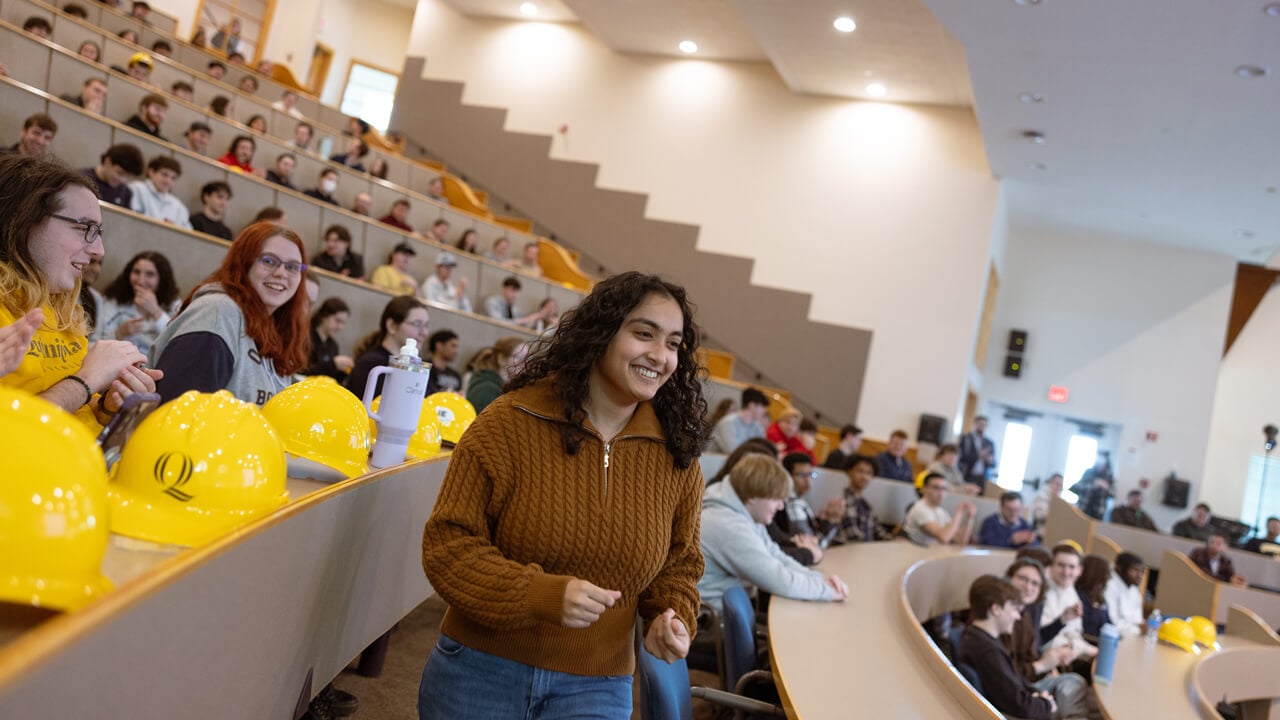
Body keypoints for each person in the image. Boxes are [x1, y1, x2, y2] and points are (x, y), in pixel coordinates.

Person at [417, 272, 711, 718]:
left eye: (673, 343)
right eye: (644, 334)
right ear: (601, 334)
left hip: (598, 684)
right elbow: (448, 546)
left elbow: (680, 564)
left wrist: (670, 615)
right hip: (480, 671)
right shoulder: (509, 421)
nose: (660, 355)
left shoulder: (678, 457)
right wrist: (539, 594)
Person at [0, 155, 160, 428]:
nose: (99, 250)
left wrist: (108, 406)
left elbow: (78, 412)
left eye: (98, 231)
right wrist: (85, 381)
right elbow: (13, 430)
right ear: (26, 220)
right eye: (84, 228)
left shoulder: (63, 309)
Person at [151, 223, 310, 406]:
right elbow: (179, 412)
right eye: (269, 261)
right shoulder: (216, 313)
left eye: (292, 267)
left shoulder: (275, 327)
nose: (281, 273)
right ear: (244, 262)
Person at [699, 453, 847, 613]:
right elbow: (779, 579)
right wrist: (828, 591)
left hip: (733, 610)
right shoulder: (728, 524)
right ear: (753, 496)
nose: (781, 507)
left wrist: (819, 580)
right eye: (777, 499)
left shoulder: (746, 513)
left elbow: (776, 556)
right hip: (712, 623)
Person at [957, 575, 1093, 720]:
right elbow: (1017, 704)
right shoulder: (988, 651)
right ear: (996, 609)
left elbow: (1012, 684)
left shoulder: (979, 638)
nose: (1017, 617)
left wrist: (1036, 695)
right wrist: (1045, 704)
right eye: (1014, 609)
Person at [93, 251, 181, 358]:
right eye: (136, 272)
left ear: (162, 279)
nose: (140, 281)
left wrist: (156, 311)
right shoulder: (114, 300)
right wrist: (119, 333)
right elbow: (95, 344)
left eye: (150, 274)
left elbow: (177, 342)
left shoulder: (173, 305)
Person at [1004, 558, 1077, 683]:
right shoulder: (1003, 618)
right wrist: (1043, 665)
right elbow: (1008, 673)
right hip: (1022, 682)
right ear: (1008, 579)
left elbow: (1037, 641)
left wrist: (1051, 659)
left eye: (1035, 584)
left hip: (1032, 674)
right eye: (1022, 579)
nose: (1028, 587)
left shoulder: (1029, 610)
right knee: (1074, 683)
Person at [344, 296, 428, 400]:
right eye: (417, 324)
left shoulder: (414, 366)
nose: (424, 332)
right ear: (392, 325)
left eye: (426, 325)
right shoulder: (372, 364)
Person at [769, 452, 842, 566]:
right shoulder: (793, 504)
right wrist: (831, 521)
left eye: (811, 474)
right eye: (802, 475)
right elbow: (814, 547)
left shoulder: (799, 500)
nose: (808, 480)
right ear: (787, 476)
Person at [1040, 544, 1097, 662]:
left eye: (1071, 567)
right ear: (1051, 566)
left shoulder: (1071, 590)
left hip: (1070, 652)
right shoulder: (1040, 591)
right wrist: (1081, 648)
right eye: (1061, 565)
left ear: (1079, 570)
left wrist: (1082, 648)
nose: (1066, 572)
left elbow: (1074, 632)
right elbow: (1042, 638)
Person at [905, 473, 976, 547]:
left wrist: (970, 518)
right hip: (917, 554)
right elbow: (944, 537)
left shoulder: (941, 511)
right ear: (924, 489)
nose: (941, 493)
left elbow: (960, 542)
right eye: (936, 488)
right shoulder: (920, 509)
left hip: (934, 555)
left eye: (944, 489)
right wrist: (959, 512)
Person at [837, 455, 893, 542]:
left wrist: (894, 542)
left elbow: (878, 531)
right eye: (860, 471)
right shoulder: (845, 501)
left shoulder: (865, 504)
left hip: (864, 551)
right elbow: (854, 537)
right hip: (849, 552)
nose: (864, 477)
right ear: (849, 472)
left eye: (869, 473)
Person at [463, 337, 526, 413]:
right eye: (518, 356)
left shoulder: (502, 385)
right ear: (501, 358)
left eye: (526, 358)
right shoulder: (487, 388)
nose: (524, 363)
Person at [128, 156, 190, 229]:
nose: (168, 181)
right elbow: (129, 220)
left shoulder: (178, 206)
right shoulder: (137, 189)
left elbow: (187, 234)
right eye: (164, 175)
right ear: (151, 172)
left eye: (173, 178)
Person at [81, 144, 144, 208]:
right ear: (108, 161)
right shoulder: (81, 180)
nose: (123, 180)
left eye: (128, 177)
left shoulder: (125, 192)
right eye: (120, 173)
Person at [710, 387, 769, 454]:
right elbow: (733, 452)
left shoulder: (757, 427)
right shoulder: (728, 422)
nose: (764, 411)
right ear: (752, 405)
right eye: (763, 407)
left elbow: (764, 450)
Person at [305, 297, 352, 381]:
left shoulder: (333, 345)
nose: (340, 327)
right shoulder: (305, 337)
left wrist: (344, 370)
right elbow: (302, 370)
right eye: (337, 321)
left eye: (343, 323)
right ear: (324, 315)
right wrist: (333, 365)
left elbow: (333, 378)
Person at [1103, 552, 1145, 638]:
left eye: (1141, 571)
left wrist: (1143, 627)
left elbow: (1138, 621)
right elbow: (1112, 622)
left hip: (1131, 636)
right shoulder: (1109, 585)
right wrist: (1139, 630)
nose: (1139, 575)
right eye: (1135, 570)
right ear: (1120, 568)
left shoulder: (1133, 589)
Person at [1074, 555, 1112, 639]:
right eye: (1106, 574)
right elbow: (1085, 629)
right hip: (1088, 644)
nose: (1108, 579)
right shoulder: (1078, 597)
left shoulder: (1100, 598)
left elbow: (1109, 625)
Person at [958, 414, 997, 491]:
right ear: (975, 424)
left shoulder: (989, 443)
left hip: (982, 477)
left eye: (984, 425)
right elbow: (961, 458)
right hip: (967, 474)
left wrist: (989, 460)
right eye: (980, 424)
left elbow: (993, 464)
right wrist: (979, 455)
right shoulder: (966, 439)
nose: (982, 427)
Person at [425, 329, 462, 394]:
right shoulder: (424, 367)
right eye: (453, 346)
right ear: (439, 345)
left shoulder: (455, 375)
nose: (456, 351)